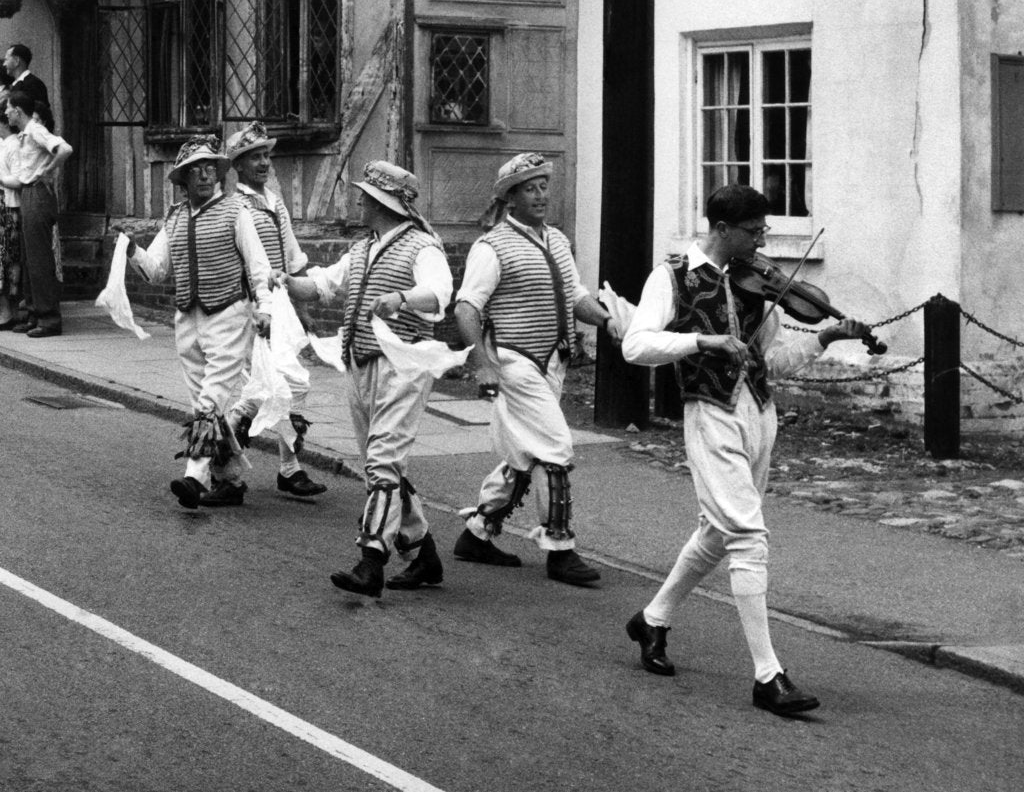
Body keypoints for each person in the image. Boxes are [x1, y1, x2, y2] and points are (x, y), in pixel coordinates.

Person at [621, 183, 871, 716]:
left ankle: (653, 620)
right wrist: (701, 341)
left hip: (759, 416)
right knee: (749, 537)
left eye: (764, 231)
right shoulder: (671, 277)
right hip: (710, 415)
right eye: (754, 232)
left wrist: (824, 339)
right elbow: (635, 345)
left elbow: (770, 365)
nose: (763, 242)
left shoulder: (759, 288)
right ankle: (768, 675)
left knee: (720, 531)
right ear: (722, 229)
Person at [453, 152, 624, 586]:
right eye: (530, 188)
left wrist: (605, 319)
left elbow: (577, 297)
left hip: (553, 361)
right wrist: (485, 363)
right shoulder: (491, 246)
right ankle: (560, 549)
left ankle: (477, 533)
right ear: (510, 198)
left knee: (524, 453)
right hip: (513, 362)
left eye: (544, 186)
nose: (541, 195)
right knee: (555, 447)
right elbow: (467, 308)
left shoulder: (559, 242)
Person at [282, 161, 452, 598]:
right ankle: (422, 551)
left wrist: (402, 298)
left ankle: (371, 559)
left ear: (381, 202)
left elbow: (440, 292)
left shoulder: (422, 247)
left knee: (382, 460)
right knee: (381, 465)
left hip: (404, 365)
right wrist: (283, 281)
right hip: (360, 364)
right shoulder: (362, 249)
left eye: (364, 196)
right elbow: (322, 284)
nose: (358, 202)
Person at [120, 134, 273, 509]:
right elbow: (156, 270)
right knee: (204, 404)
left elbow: (258, 266)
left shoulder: (236, 211)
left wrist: (265, 307)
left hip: (228, 314)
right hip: (187, 318)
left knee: (212, 398)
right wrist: (131, 251)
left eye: (210, 168)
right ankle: (230, 481)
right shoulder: (174, 218)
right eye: (196, 170)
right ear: (184, 179)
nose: (205, 176)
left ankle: (196, 475)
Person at [198, 121, 327, 506]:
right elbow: (227, 260)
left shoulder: (273, 200)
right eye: (254, 157)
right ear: (236, 165)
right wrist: (249, 305)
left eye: (266, 155)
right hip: (248, 305)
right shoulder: (232, 205)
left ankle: (286, 470)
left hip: (279, 303)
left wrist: (300, 308)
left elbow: (291, 255)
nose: (264, 163)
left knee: (286, 384)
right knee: (259, 388)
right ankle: (225, 474)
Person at [4, 90, 71, 338]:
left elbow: (64, 148)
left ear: (18, 111)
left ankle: (49, 318)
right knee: (29, 258)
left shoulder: (35, 129)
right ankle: (34, 313)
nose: (6, 113)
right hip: (28, 193)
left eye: (9, 109)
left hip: (37, 193)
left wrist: (48, 170)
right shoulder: (25, 134)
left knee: (40, 258)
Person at [0, 96, 20, 329]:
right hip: (4, 205)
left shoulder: (13, 144)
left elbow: (20, 178)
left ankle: (9, 312)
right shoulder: (5, 144)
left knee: (9, 260)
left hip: (10, 206)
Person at [4, 44, 49, 108]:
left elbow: (40, 113)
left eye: (6, 60)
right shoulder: (13, 85)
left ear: (16, 61)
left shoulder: (34, 84)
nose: (4, 64)